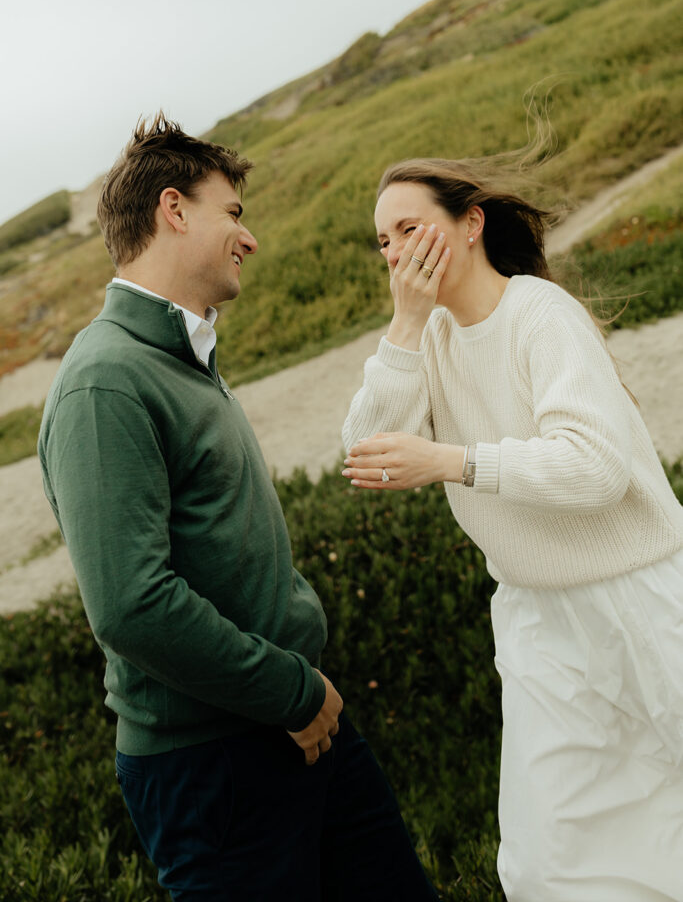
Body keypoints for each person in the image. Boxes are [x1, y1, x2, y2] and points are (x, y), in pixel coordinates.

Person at [38, 115, 438, 902]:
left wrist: (302, 691)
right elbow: (130, 605)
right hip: (213, 764)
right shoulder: (105, 380)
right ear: (173, 210)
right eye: (234, 214)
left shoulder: (179, 353)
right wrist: (293, 692)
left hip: (296, 726)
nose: (247, 238)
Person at [341, 155, 683, 902]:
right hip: (534, 620)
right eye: (382, 242)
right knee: (547, 864)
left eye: (409, 227)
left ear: (470, 224)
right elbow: (364, 452)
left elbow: (595, 468)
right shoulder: (424, 338)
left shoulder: (539, 315)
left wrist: (453, 462)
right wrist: (402, 324)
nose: (396, 251)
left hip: (640, 599)